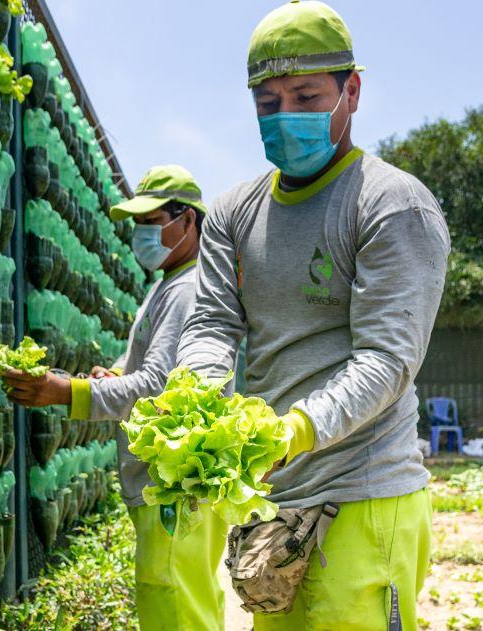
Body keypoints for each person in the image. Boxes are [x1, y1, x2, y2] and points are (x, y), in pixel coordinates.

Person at [176, 2, 451, 629]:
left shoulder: (393, 205)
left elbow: (387, 359)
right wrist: (197, 399)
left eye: (305, 95)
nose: (285, 116)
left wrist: (294, 432)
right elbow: (213, 324)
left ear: (351, 90)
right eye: (267, 104)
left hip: (363, 497)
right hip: (272, 500)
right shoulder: (232, 213)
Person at [3, 165, 226, 631]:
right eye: (137, 224)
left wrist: (64, 392)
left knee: (175, 609)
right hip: (168, 488)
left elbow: (156, 387)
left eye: (152, 221)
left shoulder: (186, 290)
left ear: (187, 220)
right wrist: (116, 374)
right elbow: (146, 372)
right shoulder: (167, 284)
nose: (142, 234)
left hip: (175, 490)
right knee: (183, 603)